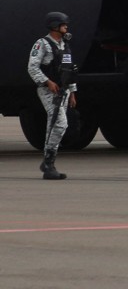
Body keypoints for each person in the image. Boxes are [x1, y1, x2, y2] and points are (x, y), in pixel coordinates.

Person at [27, 11, 77, 180]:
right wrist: (48, 82)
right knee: (60, 123)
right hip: (48, 90)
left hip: (63, 90)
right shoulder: (42, 44)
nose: (66, 27)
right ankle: (48, 161)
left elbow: (68, 71)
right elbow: (32, 67)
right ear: (55, 26)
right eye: (63, 25)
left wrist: (72, 92)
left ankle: (49, 163)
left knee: (54, 125)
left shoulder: (65, 45)